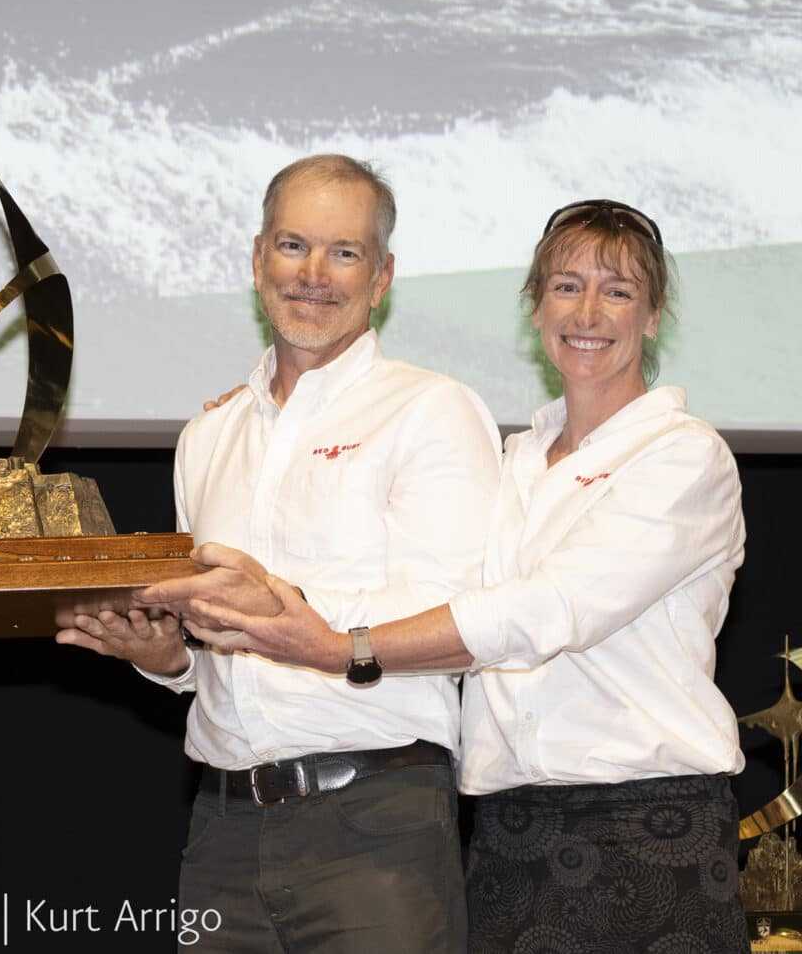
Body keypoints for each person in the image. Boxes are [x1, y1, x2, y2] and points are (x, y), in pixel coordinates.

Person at [143, 199, 748, 951]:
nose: (588, 311)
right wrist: (259, 425)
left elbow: (548, 610)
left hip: (647, 819)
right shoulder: (512, 462)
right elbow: (440, 593)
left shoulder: (684, 456)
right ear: (535, 307)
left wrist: (341, 647)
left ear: (653, 316)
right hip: (506, 830)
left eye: (618, 291)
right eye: (565, 286)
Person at [57, 154, 501, 953]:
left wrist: (289, 608)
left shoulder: (431, 411)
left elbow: (466, 618)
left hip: (377, 823)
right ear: (257, 257)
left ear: (383, 275)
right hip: (221, 829)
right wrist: (167, 659)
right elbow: (213, 657)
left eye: (345, 252)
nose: (314, 274)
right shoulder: (208, 437)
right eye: (294, 245)